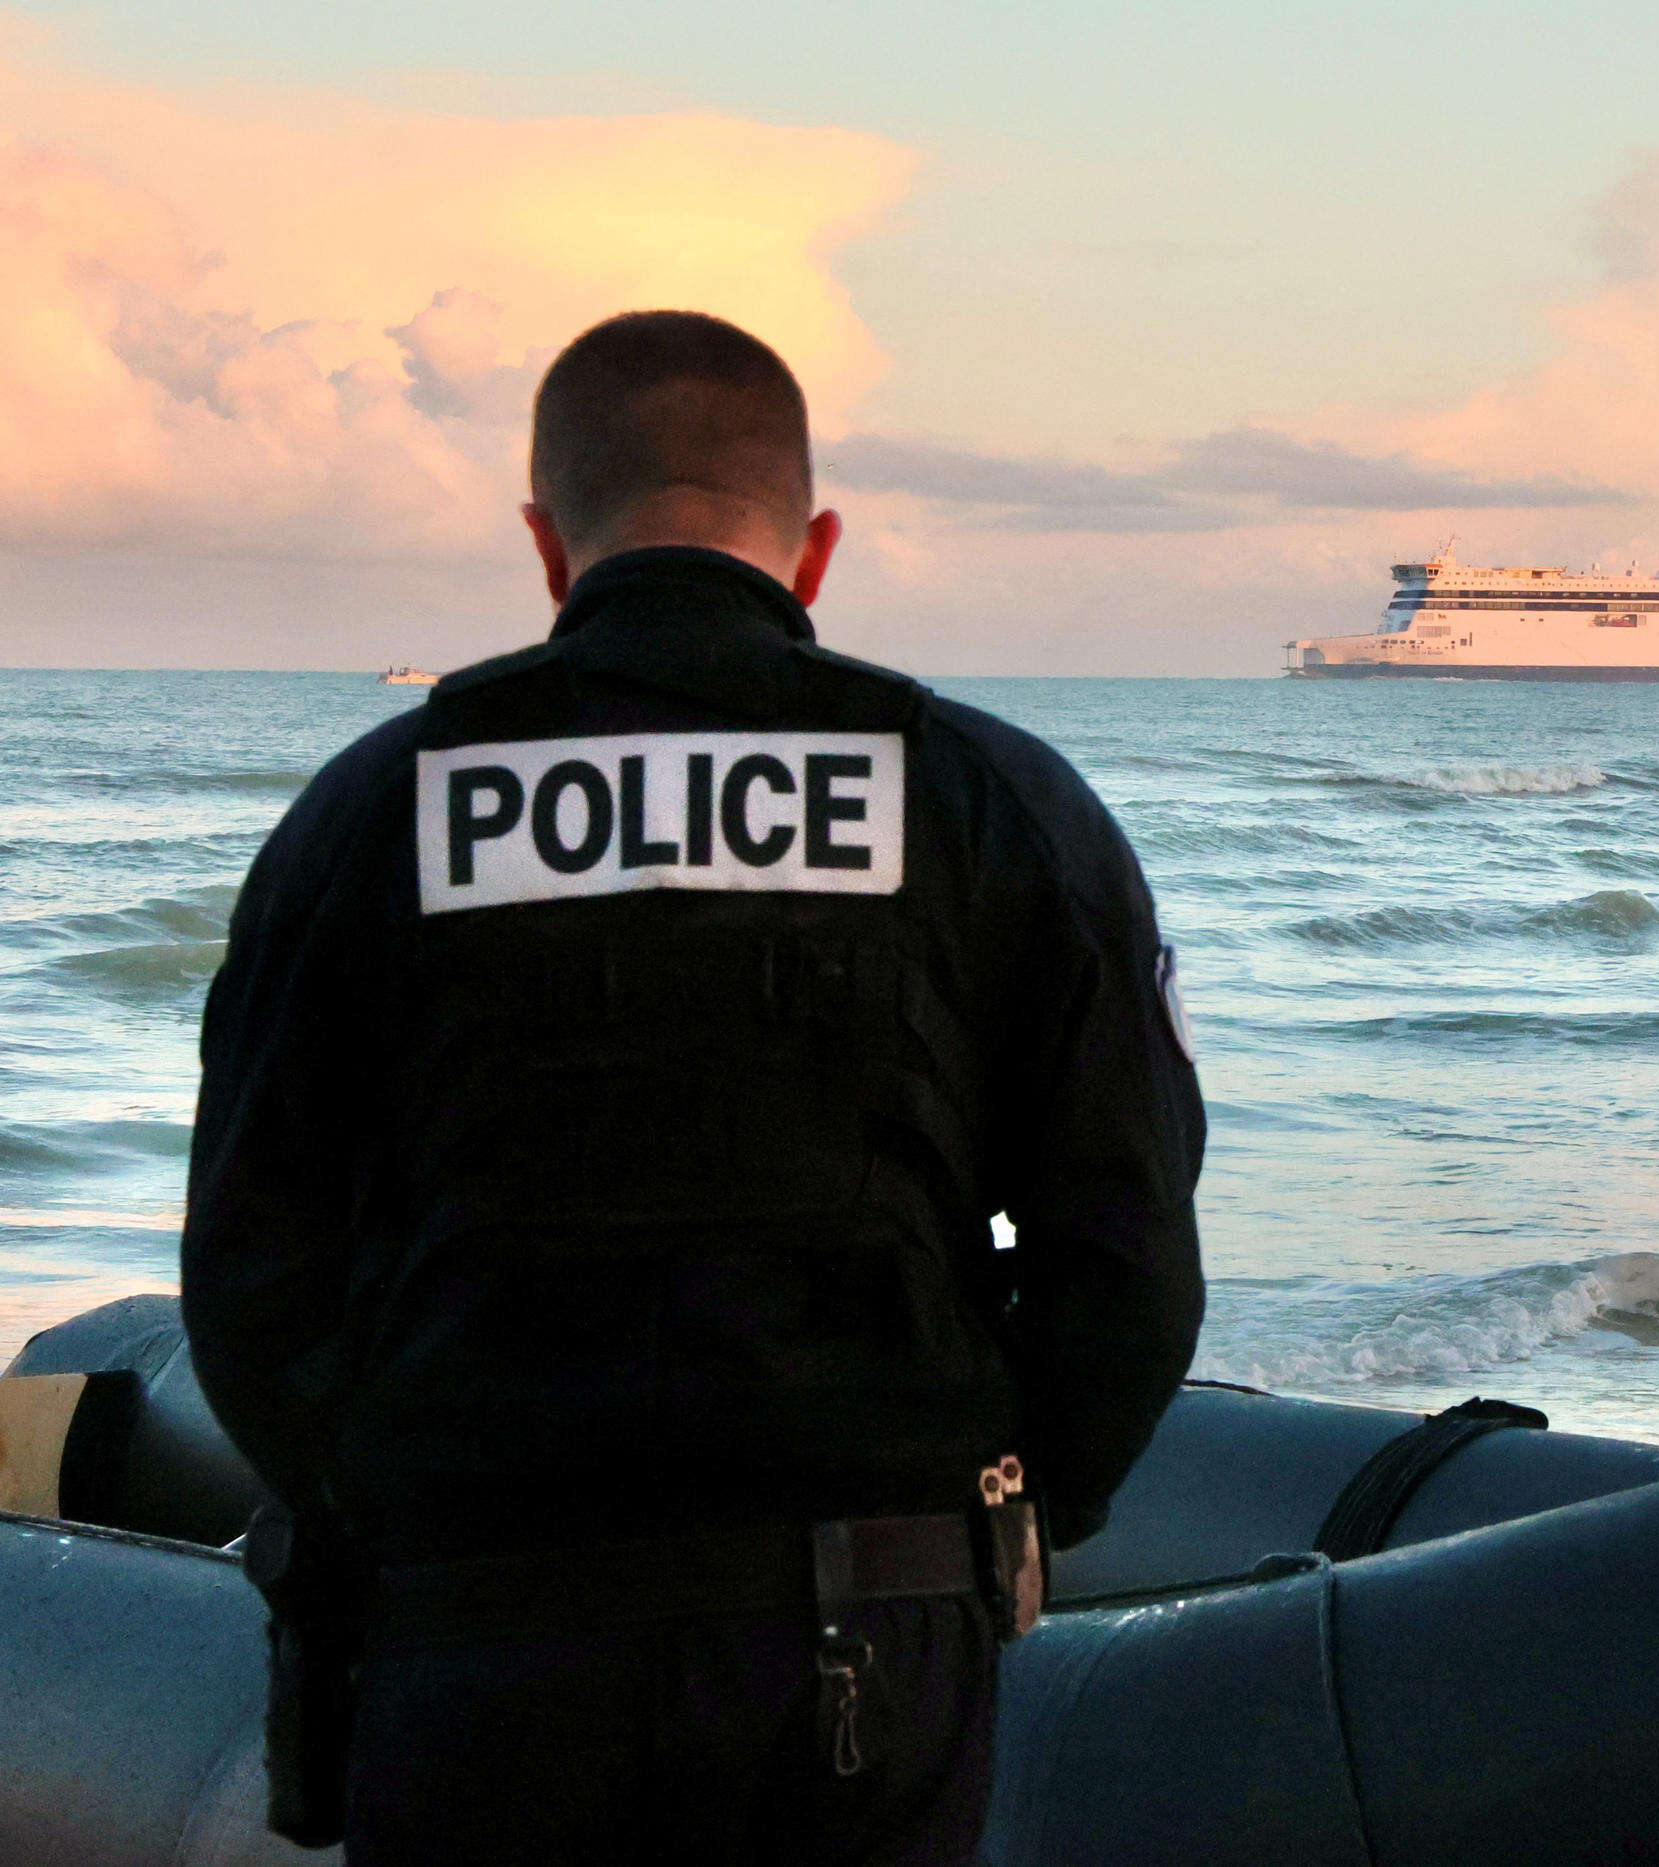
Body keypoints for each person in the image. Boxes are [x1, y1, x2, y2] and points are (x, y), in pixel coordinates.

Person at [180, 310, 1207, 1865]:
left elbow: (254, 1277)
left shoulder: (371, 814)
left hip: (478, 1646)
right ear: (816, 550)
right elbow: (1126, 1262)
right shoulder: (997, 805)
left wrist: (394, 1500)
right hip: (867, 1637)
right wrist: (989, 1518)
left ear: (546, 543)